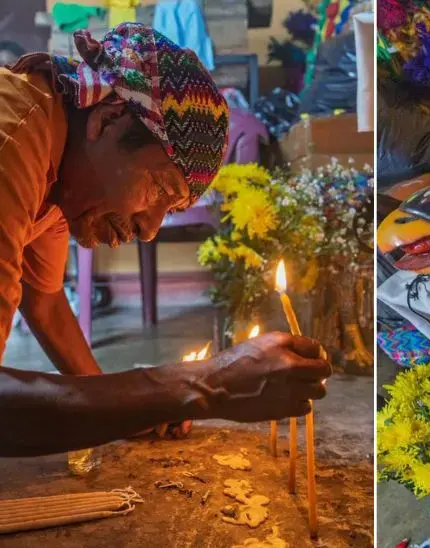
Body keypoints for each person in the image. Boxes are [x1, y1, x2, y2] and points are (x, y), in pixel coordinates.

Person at [0, 23, 330, 454]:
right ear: (109, 119)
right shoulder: (12, 142)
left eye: (169, 209)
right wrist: (200, 385)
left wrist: (128, 408)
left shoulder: (64, 164)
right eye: (159, 188)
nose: (151, 228)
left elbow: (42, 297)